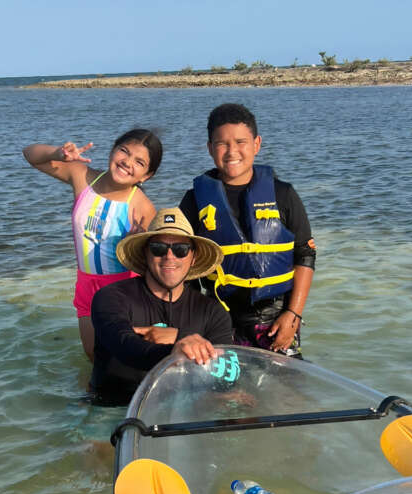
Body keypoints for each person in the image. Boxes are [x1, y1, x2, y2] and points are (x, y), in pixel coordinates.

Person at [179, 103, 316, 358]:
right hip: (219, 321)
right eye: (222, 144)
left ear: (256, 144)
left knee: (285, 393)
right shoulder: (194, 201)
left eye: (241, 142)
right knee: (229, 394)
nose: (232, 151)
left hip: (276, 321)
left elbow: (305, 255)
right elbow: (183, 269)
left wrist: (293, 314)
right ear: (210, 148)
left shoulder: (283, 195)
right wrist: (193, 327)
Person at [23, 130, 160, 361]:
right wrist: (57, 152)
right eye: (124, 151)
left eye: (139, 162)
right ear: (113, 149)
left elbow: (156, 264)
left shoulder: (142, 207)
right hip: (87, 284)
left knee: (122, 359)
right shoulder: (83, 176)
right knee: (93, 355)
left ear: (147, 175)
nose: (127, 162)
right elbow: (30, 154)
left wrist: (136, 246)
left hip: (123, 289)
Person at [89, 208, 233, 405]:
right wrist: (175, 350)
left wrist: (177, 336)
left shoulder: (213, 312)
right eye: (159, 248)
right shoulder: (111, 298)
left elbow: (229, 374)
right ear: (145, 253)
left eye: (181, 249)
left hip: (185, 406)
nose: (169, 257)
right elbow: (122, 343)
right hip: (114, 407)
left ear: (194, 258)